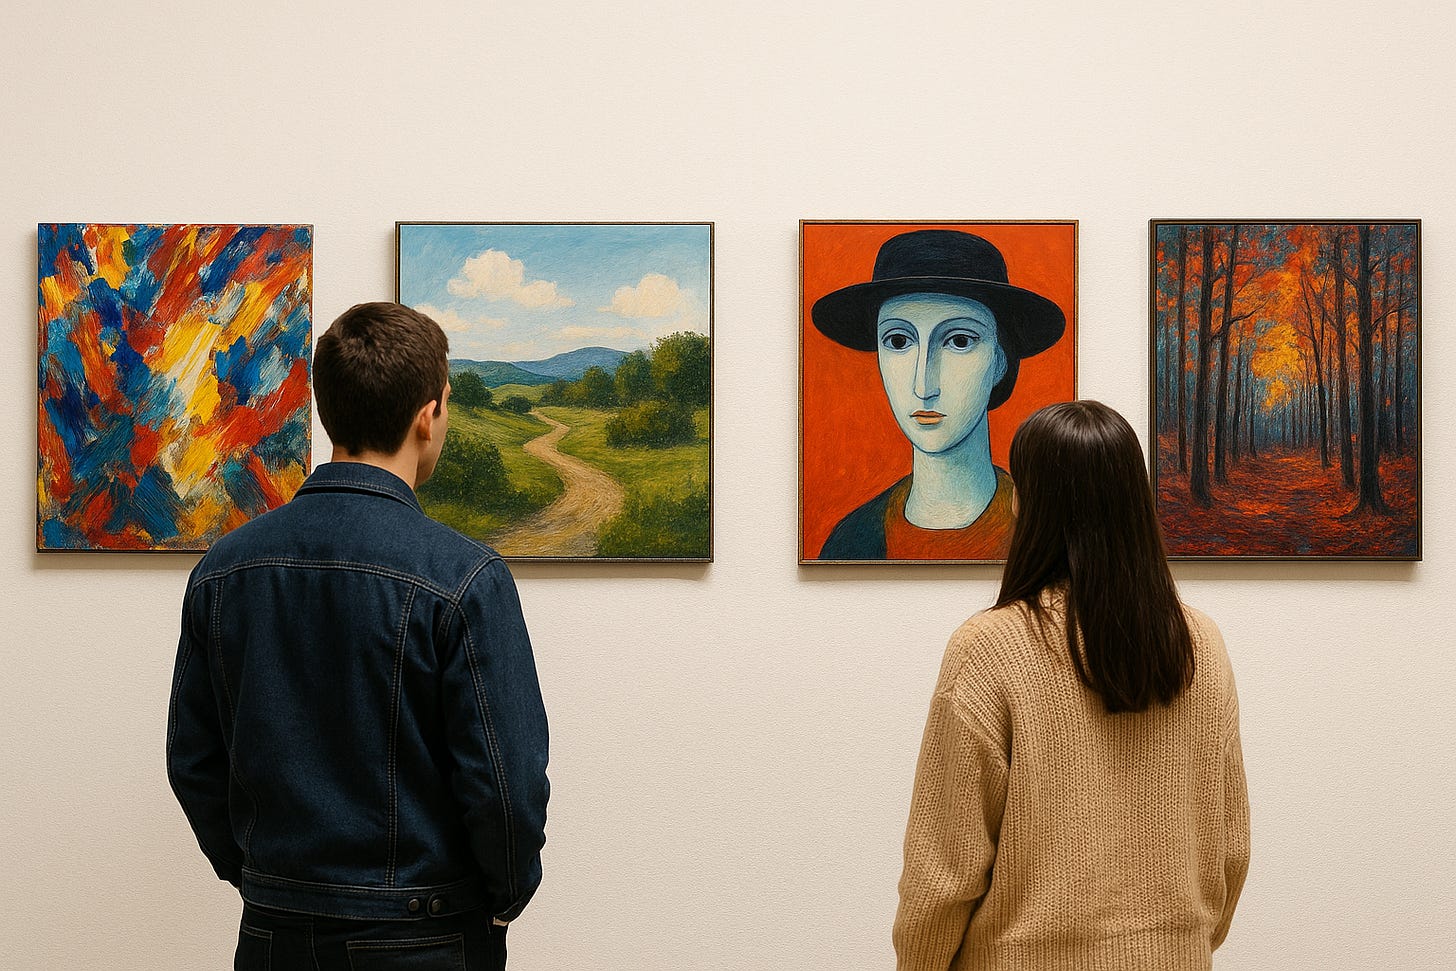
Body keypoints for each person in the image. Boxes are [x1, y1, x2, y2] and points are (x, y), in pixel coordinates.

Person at [167, 302, 549, 970]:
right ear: (427, 415)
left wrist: (270, 882)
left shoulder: (223, 570)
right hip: (424, 939)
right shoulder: (465, 578)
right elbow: (506, 788)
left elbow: (194, 761)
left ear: (327, 409)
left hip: (273, 938)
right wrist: (503, 898)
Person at [893, 400, 1249, 970]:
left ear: (1029, 503)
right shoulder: (1199, 643)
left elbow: (943, 873)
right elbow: (1229, 846)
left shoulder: (987, 649)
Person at [811, 229, 1065, 561]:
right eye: (898, 341)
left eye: (959, 340)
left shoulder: (1046, 533)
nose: (923, 386)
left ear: (1000, 361)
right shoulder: (850, 542)